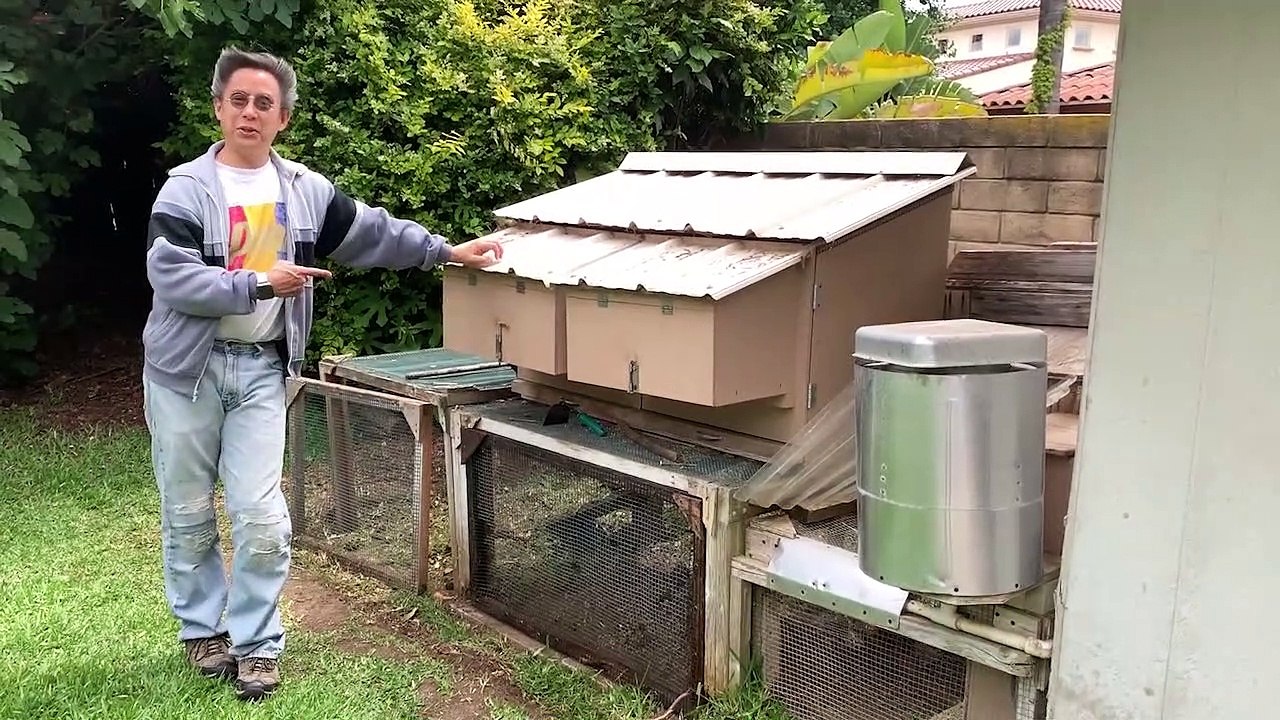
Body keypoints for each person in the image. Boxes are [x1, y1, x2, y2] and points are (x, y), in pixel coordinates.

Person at [141, 46, 502, 702]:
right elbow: (172, 276)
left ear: (283, 118)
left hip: (261, 368)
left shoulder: (305, 191)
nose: (250, 112)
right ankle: (202, 630)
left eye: (265, 103)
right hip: (185, 373)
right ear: (219, 108)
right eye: (239, 100)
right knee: (188, 510)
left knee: (261, 515)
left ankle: (256, 643)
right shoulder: (186, 189)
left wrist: (446, 251)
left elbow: (374, 233)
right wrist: (260, 283)